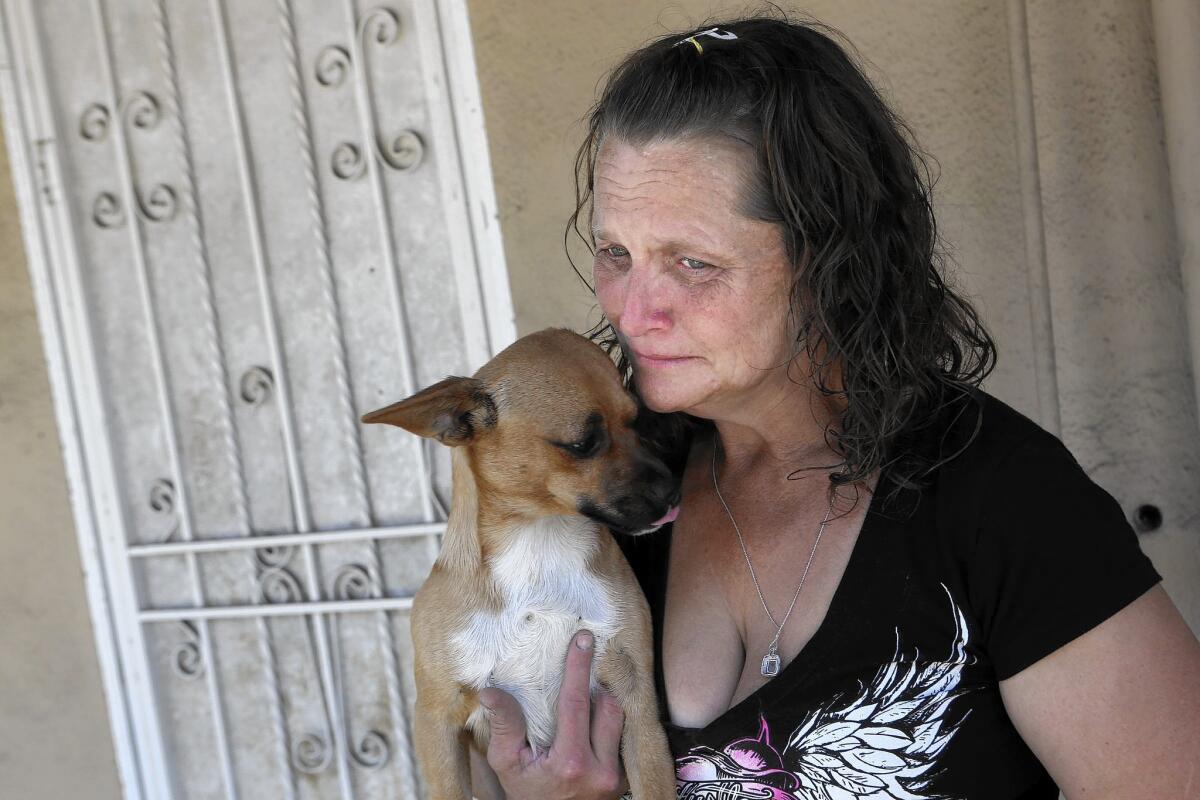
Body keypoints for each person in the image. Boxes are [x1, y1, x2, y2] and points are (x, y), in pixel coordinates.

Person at [474, 14, 1200, 800]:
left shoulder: (1003, 501)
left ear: (831, 258)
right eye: (617, 253)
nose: (633, 309)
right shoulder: (601, 502)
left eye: (694, 262)